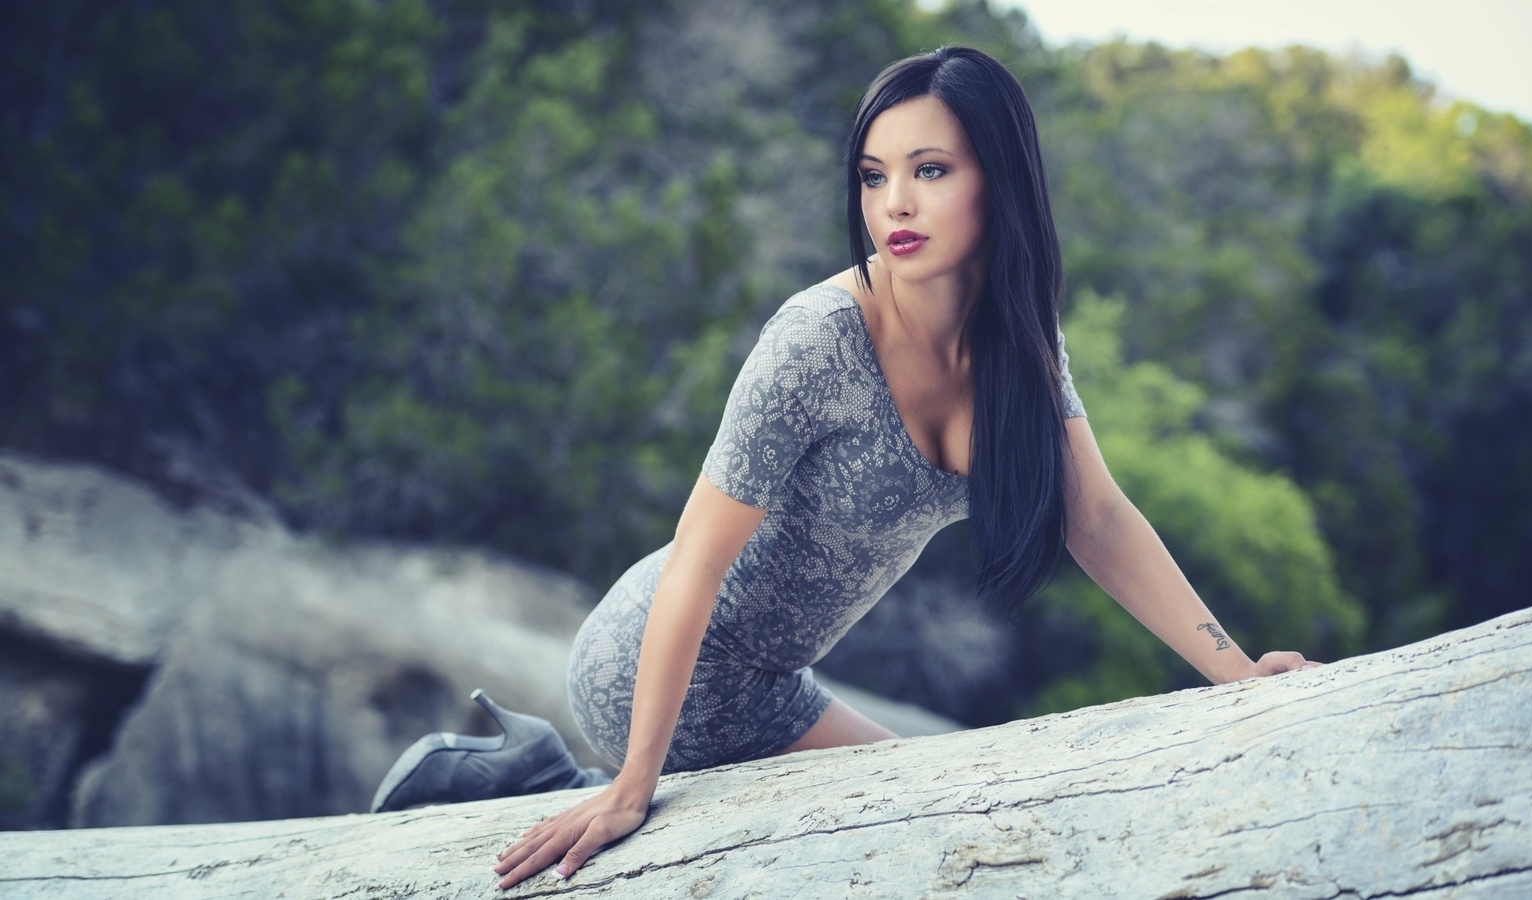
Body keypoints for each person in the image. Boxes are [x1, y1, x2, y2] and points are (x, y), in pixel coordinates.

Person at [370, 45, 1320, 890]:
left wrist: (1235, 676)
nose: (893, 204)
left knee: (920, 813)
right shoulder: (817, 342)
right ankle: (567, 782)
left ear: (1001, 181)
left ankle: (535, 774)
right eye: (873, 176)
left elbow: (1098, 519)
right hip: (663, 665)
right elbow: (696, 559)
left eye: (930, 170)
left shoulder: (1020, 346)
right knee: (908, 838)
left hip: (774, 680)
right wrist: (631, 792)